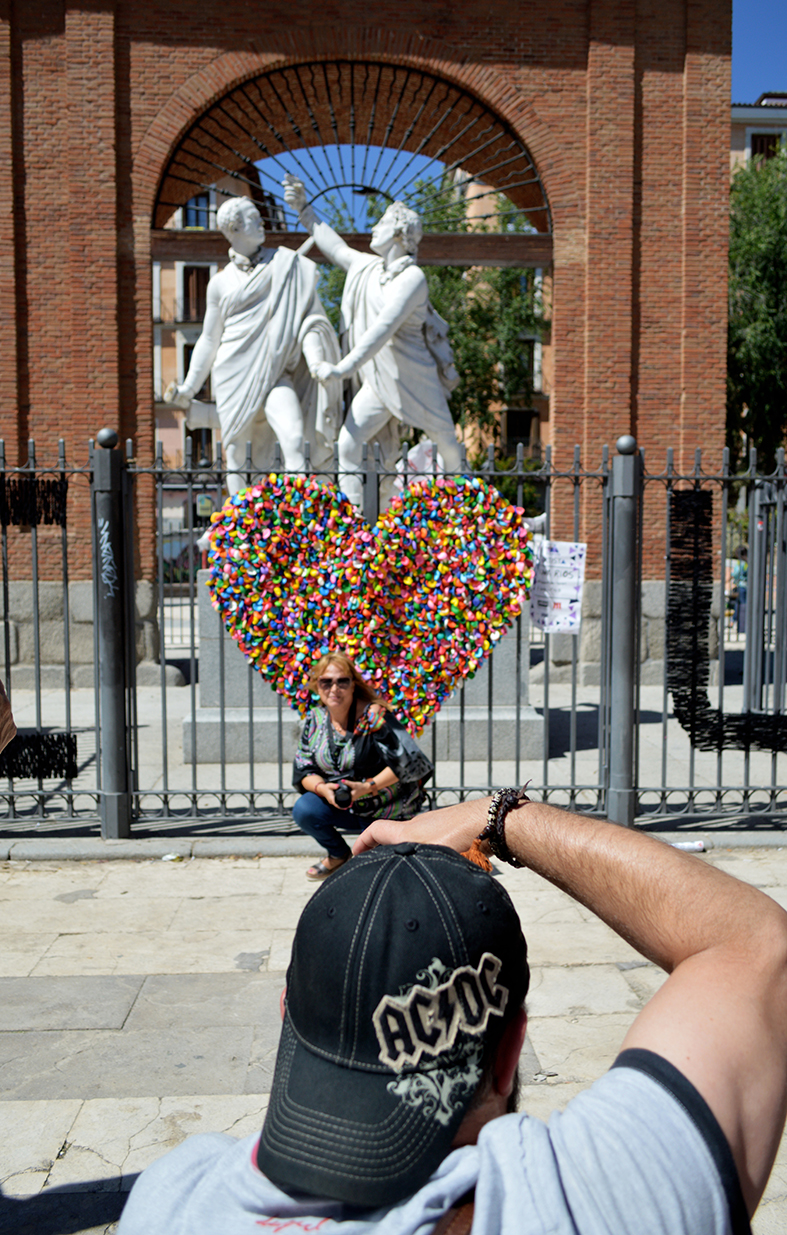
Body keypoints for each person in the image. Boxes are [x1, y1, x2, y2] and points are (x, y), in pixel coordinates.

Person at [116, 793, 787, 1235]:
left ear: (288, 1009)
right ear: (510, 1048)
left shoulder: (171, 1200)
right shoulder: (586, 1200)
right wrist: (500, 817)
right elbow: (755, 944)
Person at [283, 175, 462, 508]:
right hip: (379, 379)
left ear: (398, 234)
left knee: (447, 442)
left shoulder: (412, 278)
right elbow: (335, 247)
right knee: (348, 445)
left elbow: (381, 330)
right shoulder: (369, 268)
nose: (373, 229)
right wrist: (304, 210)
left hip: (414, 375)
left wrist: (341, 369)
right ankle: (352, 522)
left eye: (381, 224)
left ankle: (462, 509)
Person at [164, 196, 342, 493]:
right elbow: (209, 338)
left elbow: (309, 318)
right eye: (253, 218)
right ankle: (238, 514)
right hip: (233, 373)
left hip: (276, 371)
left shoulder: (285, 264)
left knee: (294, 437)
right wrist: (190, 387)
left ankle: (301, 510)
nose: (262, 222)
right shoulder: (220, 283)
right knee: (237, 453)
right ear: (234, 228)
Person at [291, 652, 432, 880]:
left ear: (353, 685)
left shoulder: (374, 716)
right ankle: (338, 854)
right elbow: (304, 768)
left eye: (342, 682)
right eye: (326, 682)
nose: (334, 689)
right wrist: (323, 789)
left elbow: (406, 763)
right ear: (317, 686)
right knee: (305, 809)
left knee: (380, 875)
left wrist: (367, 787)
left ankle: (387, 847)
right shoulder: (315, 719)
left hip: (386, 807)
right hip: (343, 804)